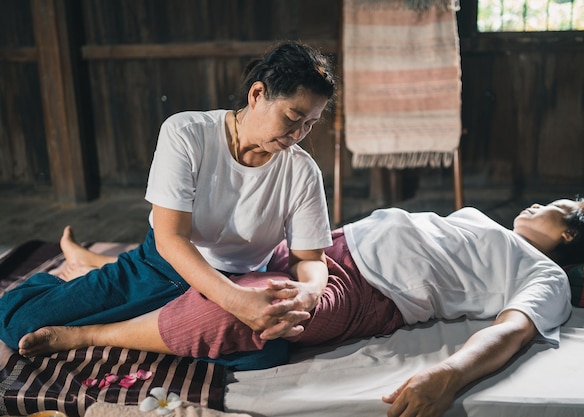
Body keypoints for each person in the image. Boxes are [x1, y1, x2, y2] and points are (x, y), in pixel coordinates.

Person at [11, 196, 584, 417]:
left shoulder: (540, 272)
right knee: (200, 243)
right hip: (321, 244)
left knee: (250, 312)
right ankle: (106, 266)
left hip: (362, 291)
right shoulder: (481, 221)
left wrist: (449, 374)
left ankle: (90, 336)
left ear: (568, 233)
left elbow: (512, 333)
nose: (543, 203)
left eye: (559, 203)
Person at [0, 41, 338, 367]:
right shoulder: (187, 133)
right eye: (293, 117)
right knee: (19, 321)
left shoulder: (302, 171)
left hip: (239, 277)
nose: (298, 134)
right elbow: (170, 239)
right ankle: (83, 280)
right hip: (163, 268)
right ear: (257, 94)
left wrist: (309, 293)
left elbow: (310, 259)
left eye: (310, 124)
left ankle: (113, 314)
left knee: (267, 352)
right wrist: (236, 303)